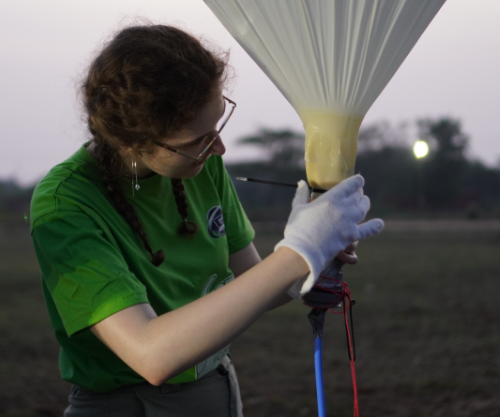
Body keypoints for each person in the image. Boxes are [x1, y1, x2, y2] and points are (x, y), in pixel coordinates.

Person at [30, 24, 383, 417]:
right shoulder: (65, 205)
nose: (218, 147)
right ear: (130, 142)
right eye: (197, 140)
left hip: (216, 390)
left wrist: (315, 256)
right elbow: (152, 355)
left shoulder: (198, 167)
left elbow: (256, 283)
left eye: (218, 124)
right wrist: (295, 256)